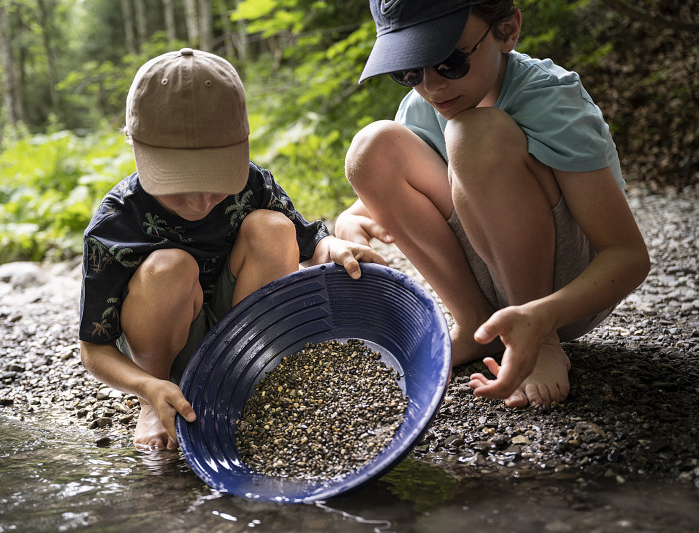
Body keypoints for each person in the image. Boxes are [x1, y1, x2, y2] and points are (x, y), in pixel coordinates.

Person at [335, 0, 650, 408]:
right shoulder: (426, 104)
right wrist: (350, 217)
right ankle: (474, 322)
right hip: (492, 274)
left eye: (450, 61)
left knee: (472, 134)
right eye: (408, 71)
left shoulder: (550, 99)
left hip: (567, 290)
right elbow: (423, 182)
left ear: (507, 31)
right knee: (371, 148)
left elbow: (628, 255)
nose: (432, 86)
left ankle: (539, 341)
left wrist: (543, 317)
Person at [79, 48, 385, 451]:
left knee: (273, 227)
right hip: (161, 345)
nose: (201, 201)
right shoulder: (117, 221)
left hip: (242, 329)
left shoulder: (254, 184)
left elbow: (312, 244)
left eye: (216, 179)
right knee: (170, 266)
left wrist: (338, 249)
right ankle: (157, 400)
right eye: (178, 184)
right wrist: (146, 385)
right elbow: (93, 349)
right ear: (135, 148)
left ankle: (247, 373)